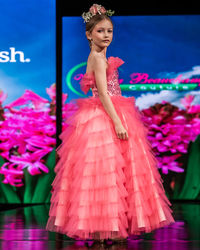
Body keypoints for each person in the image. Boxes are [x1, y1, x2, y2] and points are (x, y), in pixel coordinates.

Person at [45, 3, 175, 247]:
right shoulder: (95, 57)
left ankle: (113, 226)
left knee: (120, 173)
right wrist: (117, 123)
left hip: (116, 111)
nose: (106, 36)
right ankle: (105, 226)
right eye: (100, 31)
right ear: (88, 34)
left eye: (109, 31)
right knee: (104, 174)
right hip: (105, 117)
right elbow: (103, 94)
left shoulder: (102, 56)